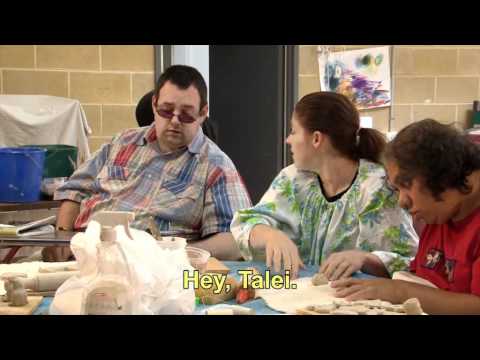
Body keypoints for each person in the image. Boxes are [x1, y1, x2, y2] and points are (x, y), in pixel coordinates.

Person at [45, 65, 251, 262]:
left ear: (202, 112)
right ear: (154, 105)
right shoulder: (122, 142)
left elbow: (236, 239)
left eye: (187, 114)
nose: (175, 121)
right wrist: (62, 235)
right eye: (166, 110)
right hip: (83, 254)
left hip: (150, 269)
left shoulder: (216, 166)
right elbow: (73, 191)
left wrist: (180, 253)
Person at [231, 92, 418, 279]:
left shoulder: (376, 188)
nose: (288, 140)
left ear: (316, 139)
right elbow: (245, 224)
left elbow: (410, 263)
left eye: (294, 131)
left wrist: (365, 259)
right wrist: (269, 235)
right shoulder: (293, 179)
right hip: (297, 295)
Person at [331, 119, 480, 314]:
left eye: (406, 186)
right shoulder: (440, 212)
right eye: (397, 189)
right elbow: (422, 275)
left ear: (443, 176)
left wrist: (401, 291)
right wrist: (372, 263)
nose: (402, 202)